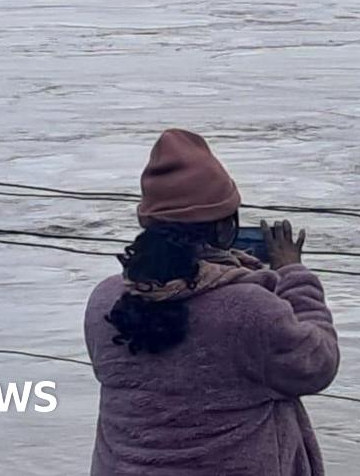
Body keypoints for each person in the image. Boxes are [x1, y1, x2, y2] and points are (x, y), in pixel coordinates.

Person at [84, 129, 340, 476]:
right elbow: (317, 363)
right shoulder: (250, 309)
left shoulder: (105, 301)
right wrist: (293, 274)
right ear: (224, 228)